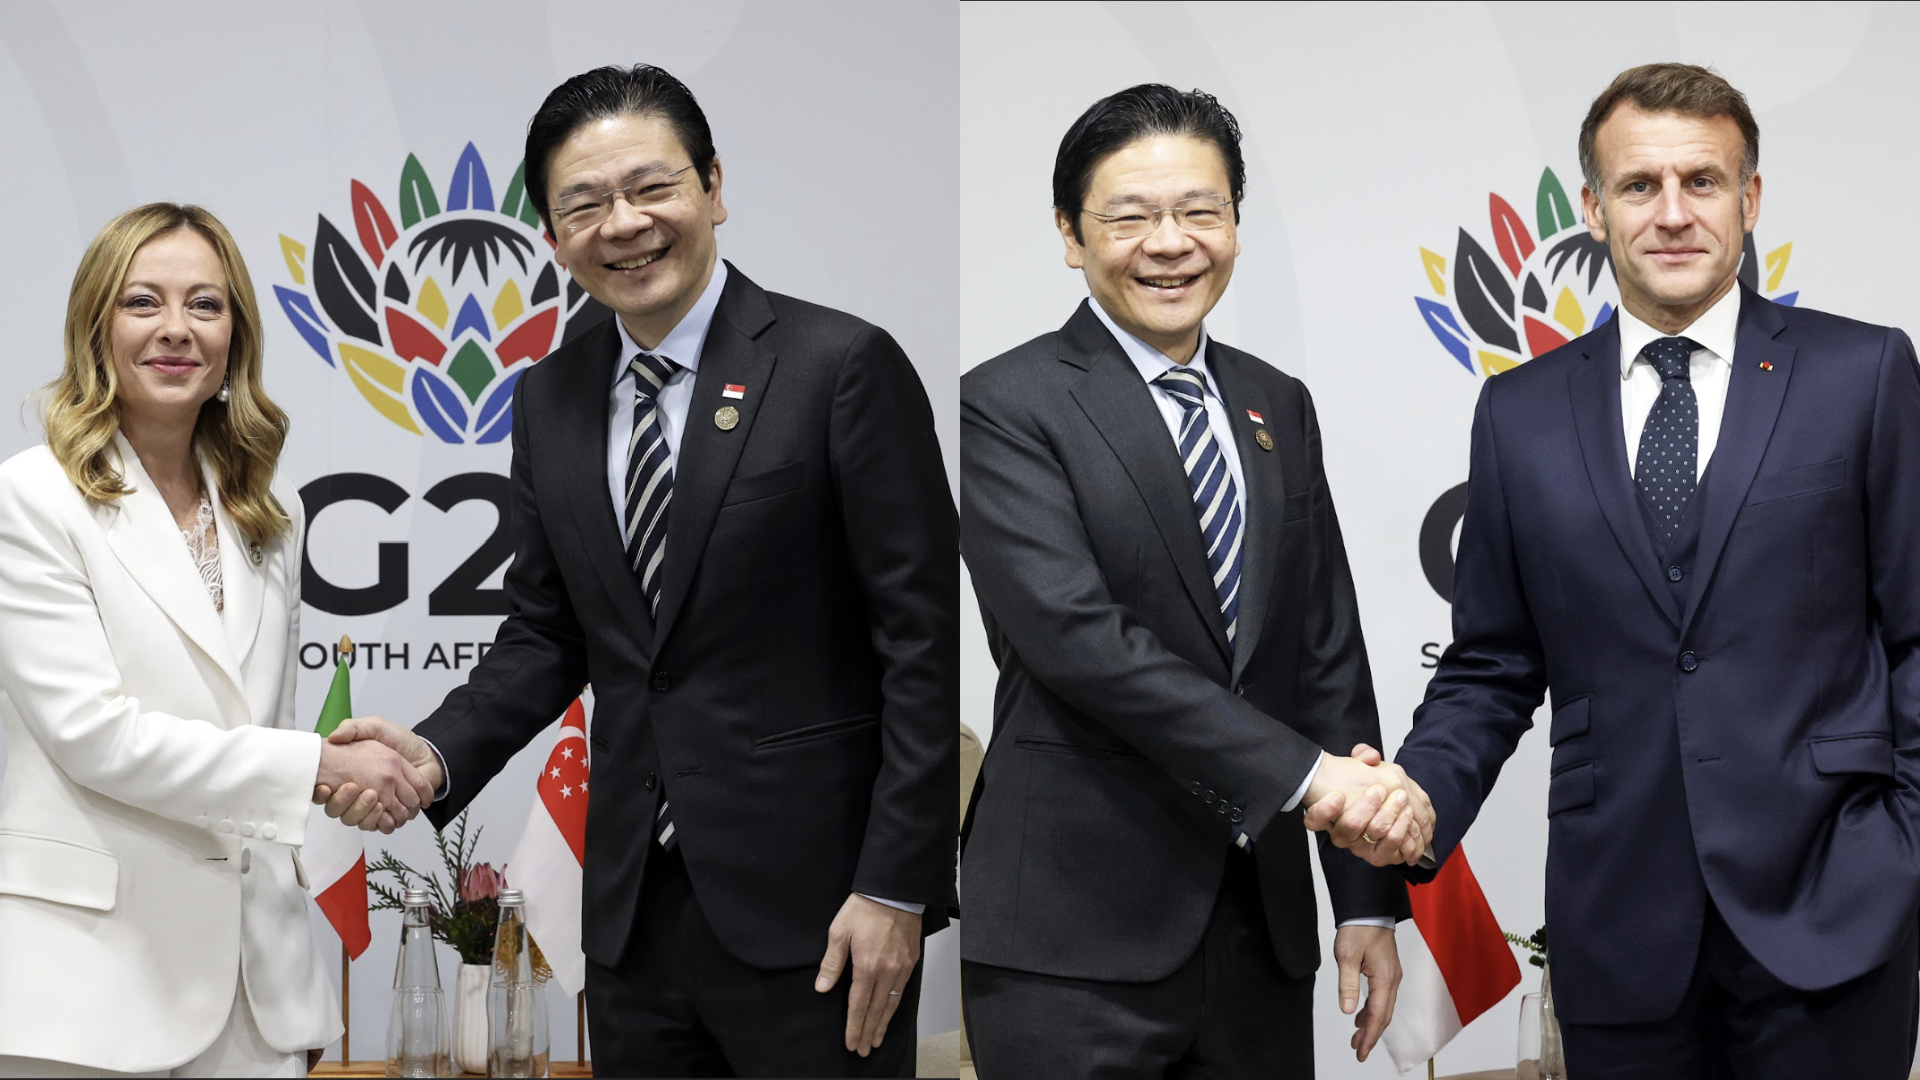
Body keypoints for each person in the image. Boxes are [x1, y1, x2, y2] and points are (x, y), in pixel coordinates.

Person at [320, 65, 958, 1078]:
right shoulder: (550, 397)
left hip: (821, 913)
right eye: (584, 203)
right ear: (553, 234)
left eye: (651, 188)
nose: (623, 224)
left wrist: (896, 888)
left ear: (713, 187)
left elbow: (922, 649)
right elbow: (549, 632)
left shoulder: (840, 366)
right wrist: (431, 756)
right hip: (630, 917)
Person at [1312, 63, 1920, 1078]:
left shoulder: (1863, 375)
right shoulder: (1521, 412)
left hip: (1835, 911)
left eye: (1704, 181)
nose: (1673, 213)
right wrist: (1419, 798)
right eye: (1641, 186)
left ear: (1751, 199)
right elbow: (1491, 666)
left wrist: (1902, 851)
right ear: (1592, 208)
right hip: (1621, 925)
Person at [956, 84, 1430, 1079]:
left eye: (1198, 212)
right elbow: (1077, 641)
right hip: (1073, 938)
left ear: (1235, 228)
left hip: (1257, 931)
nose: (1169, 243)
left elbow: (1322, 651)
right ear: (1071, 235)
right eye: (1129, 216)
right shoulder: (1002, 405)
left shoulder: (1275, 403)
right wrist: (1311, 781)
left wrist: (1367, 897)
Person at [0, 203, 433, 1077]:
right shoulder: (30, 499)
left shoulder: (270, 513)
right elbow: (94, 735)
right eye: (142, 302)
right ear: (96, 324)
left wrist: (330, 777)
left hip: (256, 995)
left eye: (206, 304)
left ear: (236, 335)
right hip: (88, 993)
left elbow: (260, 725)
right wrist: (315, 767)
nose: (176, 330)